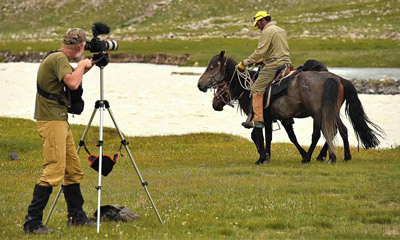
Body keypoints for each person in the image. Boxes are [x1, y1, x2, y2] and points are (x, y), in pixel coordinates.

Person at [23, 28, 95, 234]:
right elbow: (73, 83)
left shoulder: (58, 58)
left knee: (72, 171)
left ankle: (77, 217)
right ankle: (32, 222)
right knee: (53, 171)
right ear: (80, 46)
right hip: (52, 121)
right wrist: (82, 64)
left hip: (59, 120)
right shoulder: (59, 59)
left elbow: (72, 76)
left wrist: (90, 64)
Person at [237, 11, 292, 129]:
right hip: (286, 64)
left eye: (258, 23)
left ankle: (258, 120)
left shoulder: (267, 31)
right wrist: (262, 60)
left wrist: (245, 63)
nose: (257, 26)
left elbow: (260, 51)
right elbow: (277, 49)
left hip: (274, 65)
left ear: (263, 21)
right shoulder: (280, 29)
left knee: (256, 89)